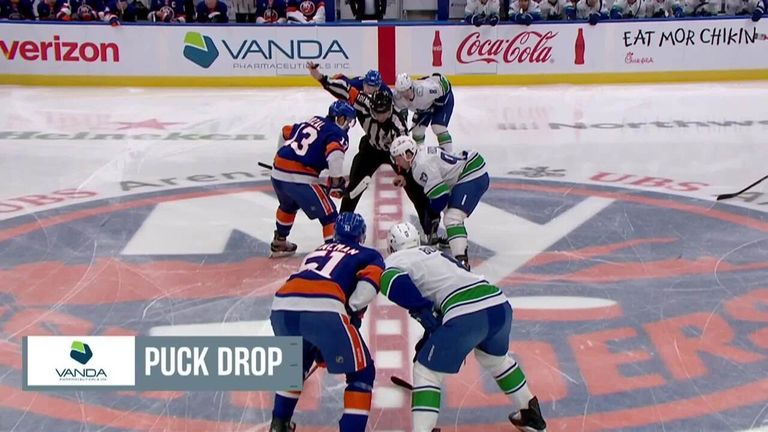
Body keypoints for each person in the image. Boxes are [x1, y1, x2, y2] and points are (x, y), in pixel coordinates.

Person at [381, 222, 547, 432]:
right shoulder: (437, 254)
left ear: (392, 246)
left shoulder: (395, 259)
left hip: (465, 312)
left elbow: (392, 282)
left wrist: (424, 314)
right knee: (495, 360)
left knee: (427, 372)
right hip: (498, 303)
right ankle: (530, 414)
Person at [270, 212, 384, 432]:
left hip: (282, 306)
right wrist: (350, 311)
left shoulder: (317, 250)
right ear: (361, 235)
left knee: (295, 365)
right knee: (362, 372)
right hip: (325, 307)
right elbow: (368, 287)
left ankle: (279, 424)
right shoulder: (368, 254)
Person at [308, 63, 443, 246]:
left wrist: (402, 174)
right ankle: (341, 232)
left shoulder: (399, 125)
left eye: (383, 114)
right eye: (376, 114)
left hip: (394, 152)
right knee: (353, 189)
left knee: (415, 188)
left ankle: (430, 228)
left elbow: (406, 153)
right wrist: (319, 76)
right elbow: (344, 90)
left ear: (390, 110)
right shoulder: (364, 102)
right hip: (370, 149)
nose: (379, 117)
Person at [270, 100, 357, 257]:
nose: (348, 126)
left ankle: (280, 241)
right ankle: (333, 253)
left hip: (277, 173)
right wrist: (336, 182)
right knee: (330, 215)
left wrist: (280, 157)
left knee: (288, 206)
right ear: (340, 118)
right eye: (348, 121)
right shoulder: (337, 134)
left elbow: (285, 131)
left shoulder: (314, 120)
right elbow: (335, 154)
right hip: (299, 178)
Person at [389, 136, 488, 270]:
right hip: (468, 167)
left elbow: (441, 197)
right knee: (448, 208)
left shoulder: (421, 165)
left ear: (408, 154)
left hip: (472, 172)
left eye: (397, 158)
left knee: (452, 217)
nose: (396, 163)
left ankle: (462, 262)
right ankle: (453, 237)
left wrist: (430, 215)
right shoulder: (420, 156)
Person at [393, 73, 455, 153]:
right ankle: (420, 153)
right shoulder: (397, 98)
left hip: (441, 101)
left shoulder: (425, 90)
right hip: (423, 107)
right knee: (417, 132)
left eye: (407, 90)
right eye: (401, 92)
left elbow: (445, 85)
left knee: (438, 126)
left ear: (411, 87)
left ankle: (448, 153)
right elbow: (400, 114)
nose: (404, 94)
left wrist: (436, 104)